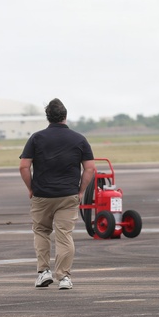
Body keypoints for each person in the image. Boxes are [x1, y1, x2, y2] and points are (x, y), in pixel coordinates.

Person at [19, 98, 96, 290]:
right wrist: (81, 190)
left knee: (41, 231)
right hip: (68, 195)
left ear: (48, 117)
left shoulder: (36, 138)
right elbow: (90, 168)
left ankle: (43, 272)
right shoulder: (79, 139)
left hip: (42, 195)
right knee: (64, 235)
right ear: (65, 116)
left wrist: (31, 188)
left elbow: (24, 166)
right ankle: (64, 277)